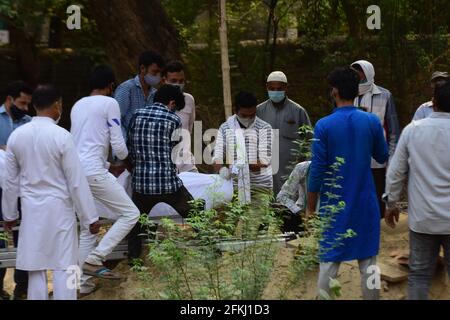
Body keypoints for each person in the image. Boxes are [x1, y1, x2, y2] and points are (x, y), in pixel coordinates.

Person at [2, 85, 100, 300]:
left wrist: (9, 215)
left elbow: (10, 182)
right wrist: (89, 217)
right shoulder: (62, 136)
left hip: (31, 211)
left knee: (35, 268)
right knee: (66, 266)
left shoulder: (17, 136)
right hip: (60, 211)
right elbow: (76, 181)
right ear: (57, 105)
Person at [307, 67, 389, 300]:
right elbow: (382, 156)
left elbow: (317, 171)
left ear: (334, 92)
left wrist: (311, 207)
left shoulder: (323, 125)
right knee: (369, 262)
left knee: (329, 262)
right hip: (365, 202)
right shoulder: (372, 121)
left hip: (334, 205)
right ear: (356, 93)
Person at [70, 66, 140, 294]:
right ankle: (96, 258)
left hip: (75, 172)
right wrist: (128, 161)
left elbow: (83, 143)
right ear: (110, 86)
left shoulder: (78, 105)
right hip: (93, 172)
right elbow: (118, 146)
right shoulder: (110, 104)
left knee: (88, 228)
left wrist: (109, 166)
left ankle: (83, 285)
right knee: (131, 213)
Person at [384, 81, 450, 300]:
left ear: (433, 102)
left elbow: (396, 173)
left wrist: (391, 203)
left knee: (420, 275)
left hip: (423, 219)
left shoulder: (413, 130)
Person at [127, 85, 196, 260]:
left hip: (141, 185)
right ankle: (212, 245)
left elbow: (129, 147)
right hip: (167, 184)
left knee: (136, 222)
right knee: (195, 212)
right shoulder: (173, 120)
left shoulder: (136, 115)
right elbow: (175, 152)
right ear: (172, 103)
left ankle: (134, 258)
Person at [351, 60, 400, 219]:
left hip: (377, 160)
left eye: (360, 72)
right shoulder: (347, 94)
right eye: (355, 72)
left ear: (369, 73)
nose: (358, 76)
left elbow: (393, 131)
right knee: (356, 202)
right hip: (353, 159)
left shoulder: (385, 95)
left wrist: (391, 158)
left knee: (377, 200)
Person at [0, 81, 33, 300]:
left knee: (25, 235)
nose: (26, 109)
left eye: (28, 104)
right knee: (0, 236)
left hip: (22, 186)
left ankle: (22, 287)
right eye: (22, 103)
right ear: (10, 100)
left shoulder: (29, 122)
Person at [257, 71, 311, 195]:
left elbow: (309, 141)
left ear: (286, 88)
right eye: (272, 88)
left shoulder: (298, 111)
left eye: (279, 89)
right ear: (267, 87)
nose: (275, 92)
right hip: (264, 171)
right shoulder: (259, 111)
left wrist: (306, 168)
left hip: (290, 171)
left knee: (289, 206)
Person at [214, 91, 273, 204]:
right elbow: (217, 155)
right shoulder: (226, 128)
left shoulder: (265, 128)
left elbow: (264, 161)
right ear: (235, 111)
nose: (248, 118)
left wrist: (240, 165)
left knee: (254, 221)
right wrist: (222, 169)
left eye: (252, 115)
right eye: (244, 115)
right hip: (234, 186)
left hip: (259, 186)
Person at [114, 51, 165, 139]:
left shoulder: (156, 93)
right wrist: (122, 146)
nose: (158, 76)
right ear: (142, 68)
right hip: (126, 146)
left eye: (160, 73)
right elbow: (115, 120)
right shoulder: (126, 89)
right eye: (154, 72)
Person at [162, 60, 198, 173]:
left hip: (186, 162)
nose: (178, 84)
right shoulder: (156, 100)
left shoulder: (189, 99)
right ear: (164, 80)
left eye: (181, 81)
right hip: (164, 163)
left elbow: (189, 128)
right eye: (173, 81)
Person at [276, 161, 311, 233]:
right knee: (281, 210)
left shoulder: (337, 170)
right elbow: (282, 196)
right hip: (303, 217)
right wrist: (300, 213)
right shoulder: (303, 167)